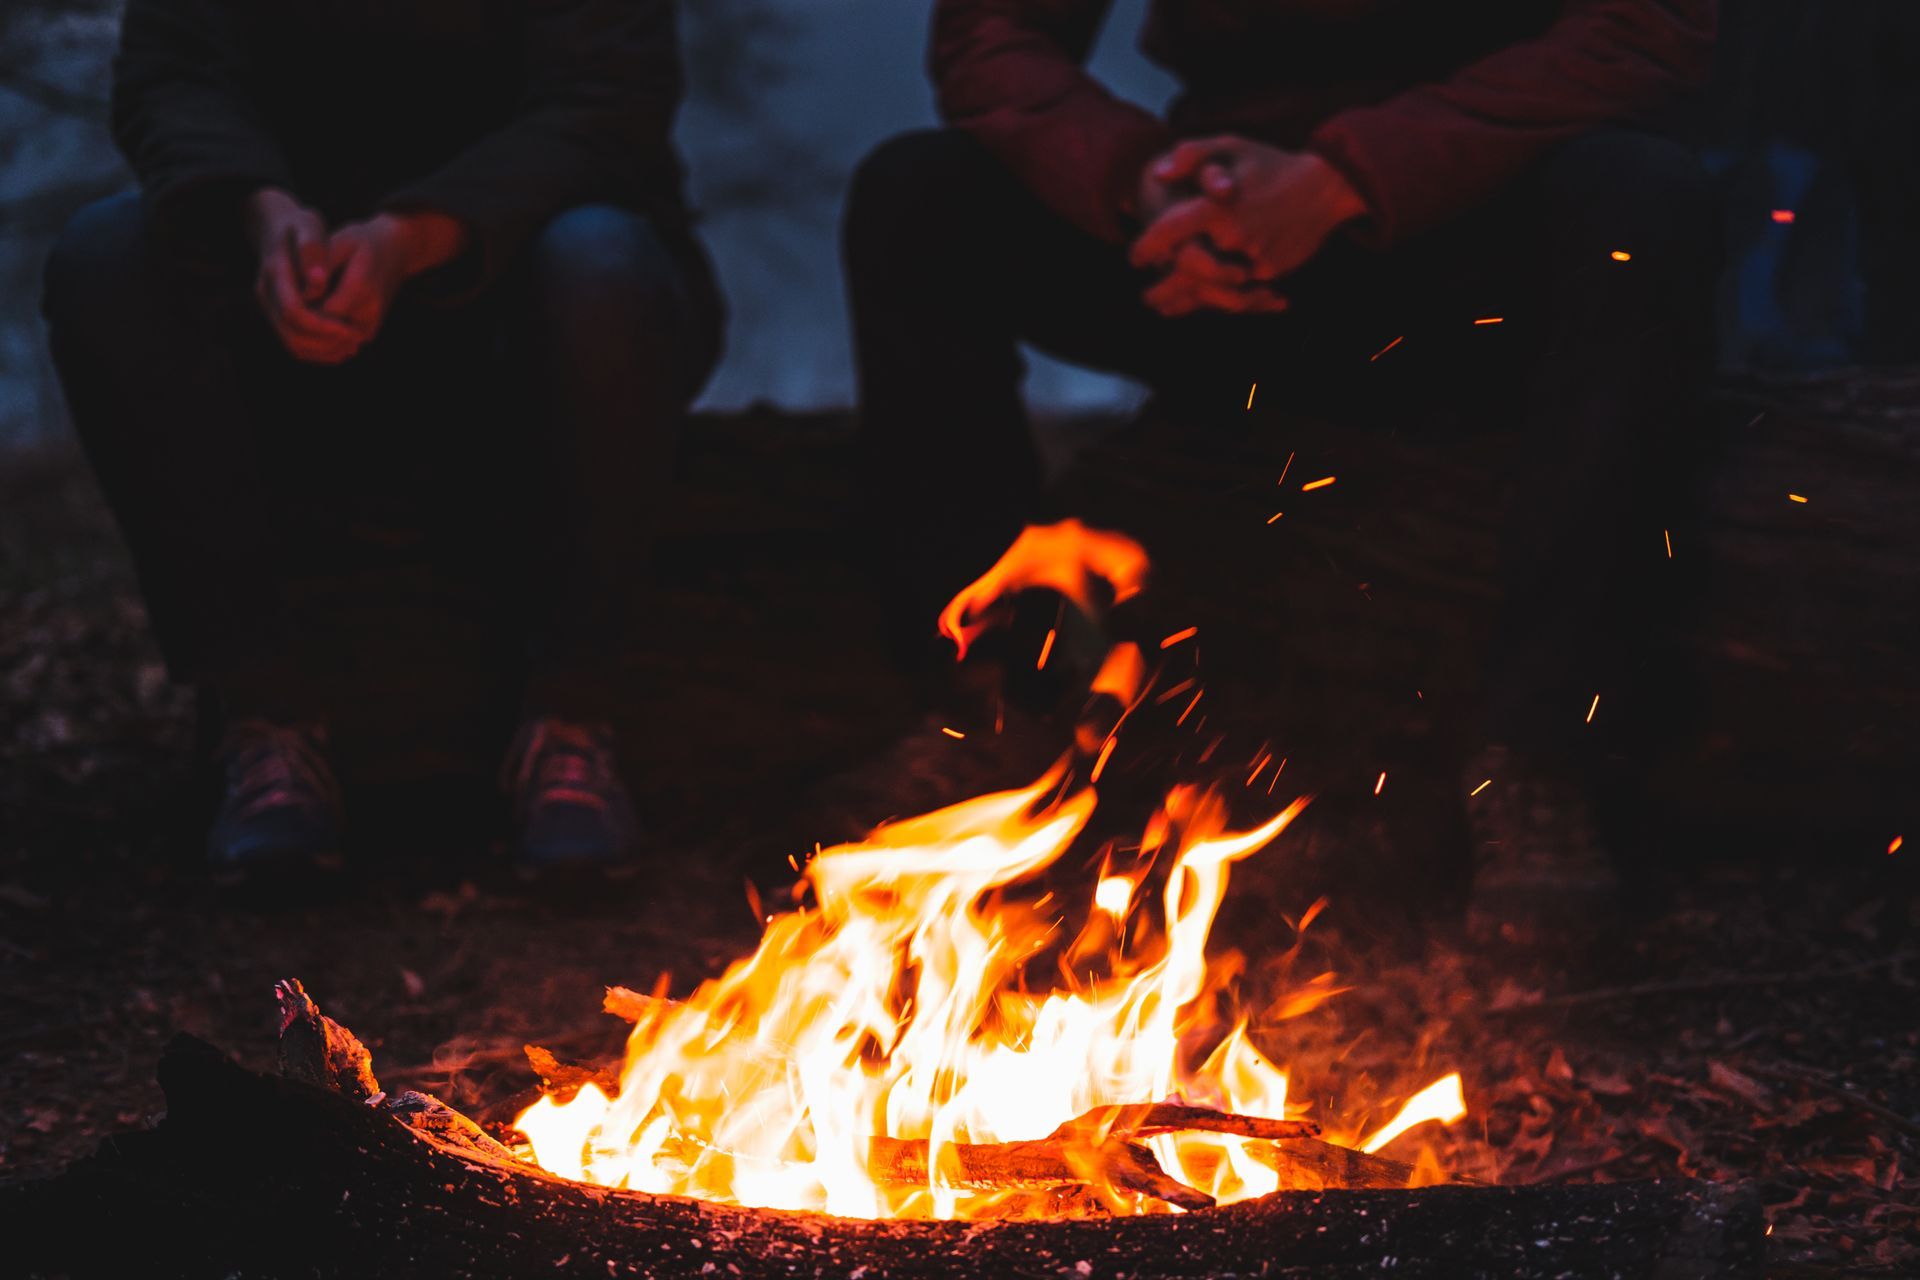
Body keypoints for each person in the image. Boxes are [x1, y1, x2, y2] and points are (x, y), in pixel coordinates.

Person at [844, 0, 1718, 935]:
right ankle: (990, 710)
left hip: (1471, 255)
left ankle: (1542, 758)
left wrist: (1346, 180)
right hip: (1210, 241)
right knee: (918, 194)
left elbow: (1646, 31)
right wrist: (1144, 180)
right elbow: (991, 34)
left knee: (1641, 196)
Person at [41, 0, 723, 869]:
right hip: (282, 280)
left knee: (603, 263)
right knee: (105, 255)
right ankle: (264, 722)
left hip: (528, 282)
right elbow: (169, 75)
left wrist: (413, 237)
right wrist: (260, 212)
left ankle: (571, 719)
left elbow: (608, 102)